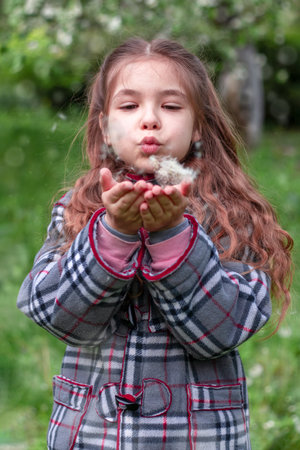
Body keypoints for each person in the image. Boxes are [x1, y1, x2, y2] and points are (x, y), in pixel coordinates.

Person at [17, 38, 293, 450]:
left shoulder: (232, 215)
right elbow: (57, 316)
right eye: (129, 106)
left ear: (198, 125)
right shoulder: (77, 210)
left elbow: (223, 330)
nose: (150, 120)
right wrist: (114, 234)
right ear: (105, 127)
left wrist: (172, 237)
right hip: (93, 434)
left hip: (198, 438)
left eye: (171, 106)